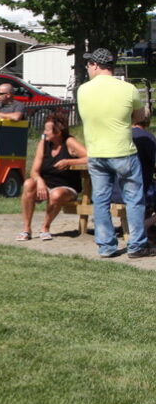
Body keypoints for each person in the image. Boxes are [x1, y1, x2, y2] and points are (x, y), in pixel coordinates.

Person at [76, 47, 153, 257]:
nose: (87, 68)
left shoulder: (83, 90)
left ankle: (106, 246)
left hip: (97, 152)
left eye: (88, 64)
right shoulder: (128, 89)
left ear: (95, 65)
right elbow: (139, 116)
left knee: (100, 200)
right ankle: (136, 245)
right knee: (134, 199)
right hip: (123, 151)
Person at [18, 112, 88, 241]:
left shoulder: (69, 142)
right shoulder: (43, 143)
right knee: (28, 183)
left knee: (56, 194)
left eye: (47, 130)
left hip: (66, 187)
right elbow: (34, 171)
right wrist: (39, 181)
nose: (44, 132)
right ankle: (26, 229)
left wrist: (69, 162)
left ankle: (45, 227)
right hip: (46, 185)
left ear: (58, 132)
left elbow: (90, 157)